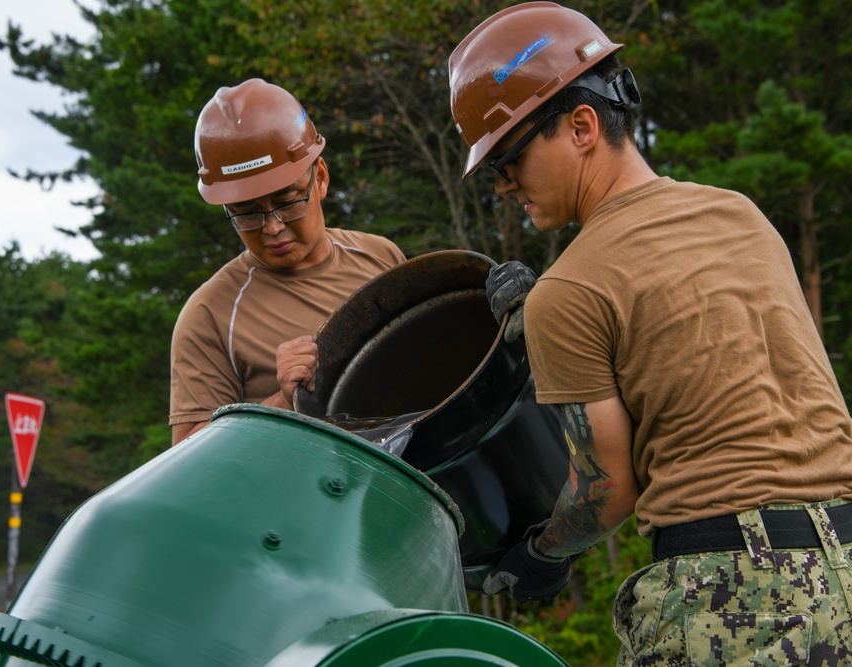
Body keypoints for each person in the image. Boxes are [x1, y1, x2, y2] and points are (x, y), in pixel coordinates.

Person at [449, 3, 852, 663]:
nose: (502, 184)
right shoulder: (740, 214)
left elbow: (609, 487)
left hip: (731, 594)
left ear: (581, 125)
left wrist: (542, 552)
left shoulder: (567, 290)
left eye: (511, 157)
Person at [170, 79, 405, 445]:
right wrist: (282, 402)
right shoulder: (210, 315)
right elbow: (187, 458)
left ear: (321, 178)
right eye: (246, 213)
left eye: (287, 200)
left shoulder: (380, 256)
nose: (272, 227)